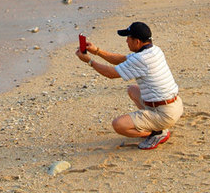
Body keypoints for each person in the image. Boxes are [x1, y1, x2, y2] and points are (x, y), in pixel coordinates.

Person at [75, 22, 182, 150]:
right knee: (132, 90)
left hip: (164, 113)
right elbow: (121, 59)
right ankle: (155, 126)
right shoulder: (154, 50)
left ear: (137, 41)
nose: (126, 41)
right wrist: (97, 51)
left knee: (118, 125)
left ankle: (157, 132)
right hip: (174, 106)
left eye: (128, 38)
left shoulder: (141, 59)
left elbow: (111, 73)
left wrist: (89, 61)